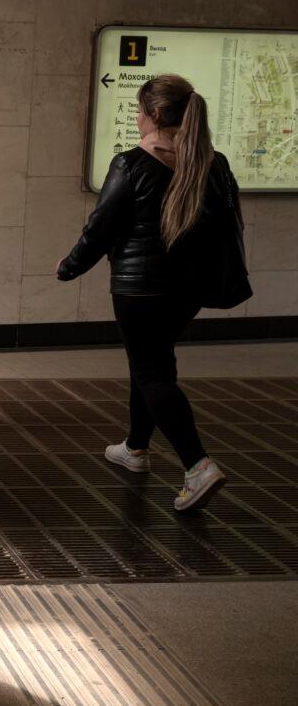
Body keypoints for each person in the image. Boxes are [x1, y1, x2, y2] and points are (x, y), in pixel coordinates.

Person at [57, 73, 246, 513]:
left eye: (139, 111)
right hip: (188, 291)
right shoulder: (212, 163)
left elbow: (100, 229)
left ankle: (197, 466)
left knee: (152, 372)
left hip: (140, 290)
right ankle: (136, 448)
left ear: (155, 115)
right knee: (153, 363)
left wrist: (69, 267)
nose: (137, 119)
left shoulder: (132, 164)